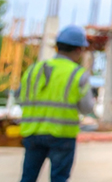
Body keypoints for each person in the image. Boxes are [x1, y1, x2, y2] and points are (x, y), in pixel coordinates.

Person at [17, 25, 94, 182]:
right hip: (62, 135)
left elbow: (19, 98)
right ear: (79, 50)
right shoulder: (78, 74)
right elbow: (87, 108)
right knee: (59, 179)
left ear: (57, 46)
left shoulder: (33, 69)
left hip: (32, 132)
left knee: (28, 178)